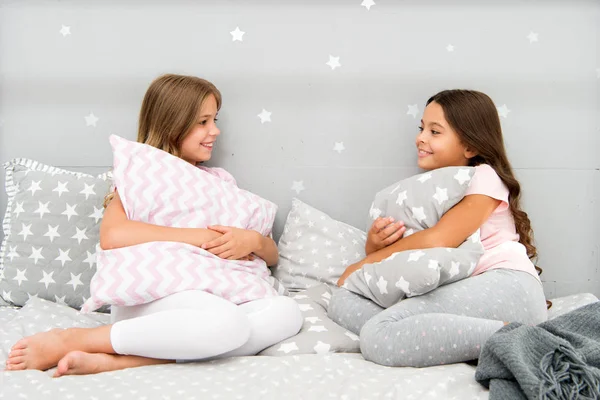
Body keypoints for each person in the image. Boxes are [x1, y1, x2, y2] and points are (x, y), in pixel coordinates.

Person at [5, 74, 302, 377]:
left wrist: (252, 241)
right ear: (173, 123)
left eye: (215, 119)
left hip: (216, 295)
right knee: (228, 324)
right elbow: (112, 235)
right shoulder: (142, 178)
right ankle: (76, 338)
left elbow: (272, 256)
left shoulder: (220, 183)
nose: (215, 131)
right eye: (202, 122)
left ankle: (124, 361)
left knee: (286, 313)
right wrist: (200, 237)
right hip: (154, 297)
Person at [330, 89, 548, 368]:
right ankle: (460, 339)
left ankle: (527, 340)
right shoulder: (433, 192)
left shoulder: (485, 178)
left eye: (435, 131)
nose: (420, 138)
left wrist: (363, 264)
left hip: (506, 285)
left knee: (378, 336)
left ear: (469, 146)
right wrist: (375, 245)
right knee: (342, 301)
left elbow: (439, 239)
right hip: (465, 290)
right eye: (422, 128)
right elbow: (414, 258)